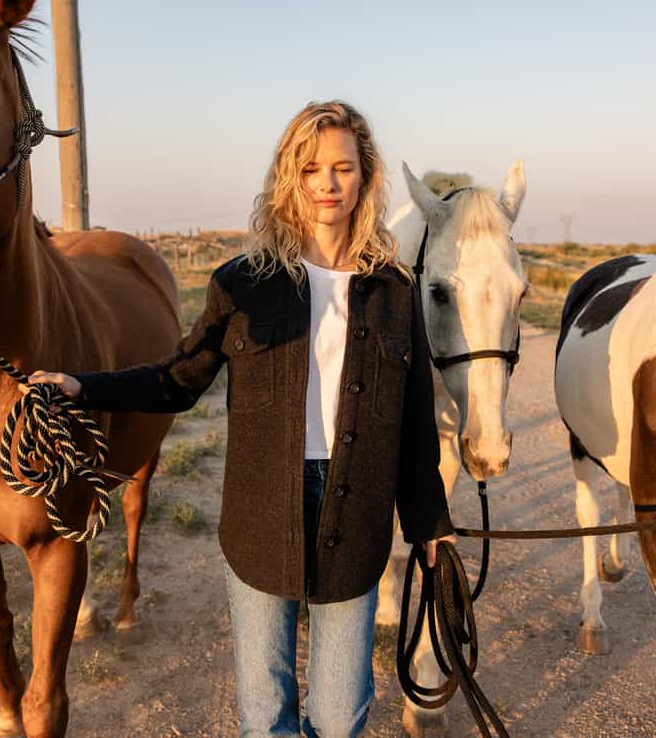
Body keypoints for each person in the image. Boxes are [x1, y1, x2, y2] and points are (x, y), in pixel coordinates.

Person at [27, 100, 456, 738]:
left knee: (341, 718)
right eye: (311, 169)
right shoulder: (244, 283)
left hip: (357, 513)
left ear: (364, 177)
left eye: (342, 168)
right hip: (260, 514)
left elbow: (416, 427)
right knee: (265, 715)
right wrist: (81, 387)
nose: (327, 184)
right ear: (291, 178)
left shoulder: (395, 290)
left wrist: (433, 529)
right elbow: (178, 378)